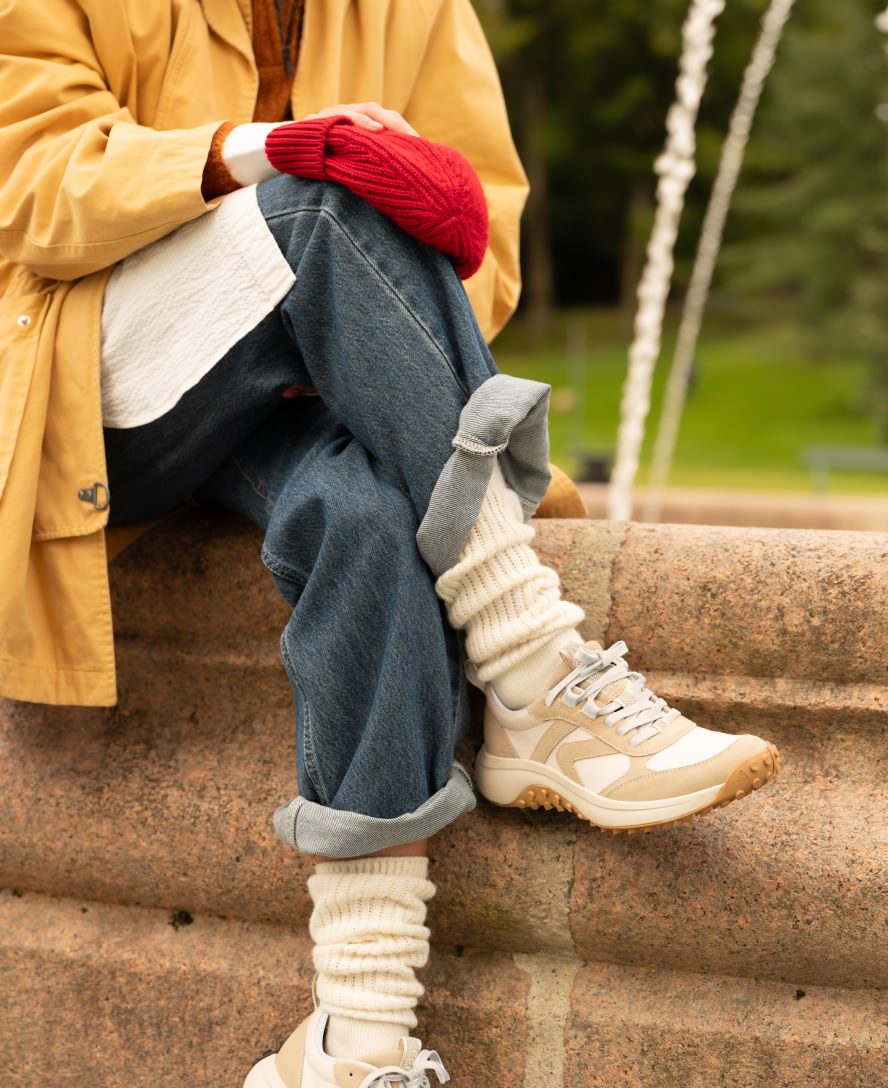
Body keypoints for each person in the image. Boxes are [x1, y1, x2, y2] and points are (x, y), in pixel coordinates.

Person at [0, 2, 781, 1086]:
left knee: (366, 516)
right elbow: (33, 185)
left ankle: (355, 1042)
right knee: (325, 202)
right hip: (93, 379)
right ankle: (532, 662)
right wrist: (267, 152)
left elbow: (478, 227)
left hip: (296, 382)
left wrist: (348, 321)